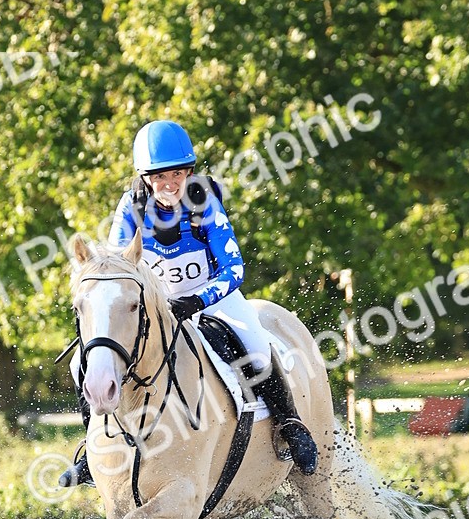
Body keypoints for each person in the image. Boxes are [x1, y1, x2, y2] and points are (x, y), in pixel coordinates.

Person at [60, 119, 318, 487]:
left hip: (213, 296)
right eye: (160, 177)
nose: (169, 185)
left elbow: (234, 268)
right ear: (145, 178)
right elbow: (117, 263)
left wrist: (198, 300)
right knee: (79, 364)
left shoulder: (204, 201)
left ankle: (290, 423)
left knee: (257, 348)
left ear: (190, 172)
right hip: (156, 302)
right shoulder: (131, 206)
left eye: (177, 175)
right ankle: (93, 446)